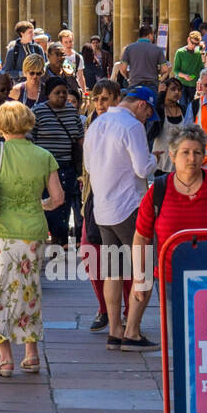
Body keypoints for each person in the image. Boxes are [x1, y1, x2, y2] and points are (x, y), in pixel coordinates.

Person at [0, 102, 61, 375]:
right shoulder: (44, 155)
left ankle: (5, 358)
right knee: (28, 293)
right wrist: (37, 206)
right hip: (32, 234)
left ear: (0, 124)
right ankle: (31, 354)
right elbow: (58, 198)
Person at [83, 84, 158, 350]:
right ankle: (132, 332)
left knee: (114, 272)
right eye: (148, 112)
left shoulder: (97, 123)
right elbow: (142, 168)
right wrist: (156, 159)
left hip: (103, 209)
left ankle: (115, 330)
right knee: (144, 270)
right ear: (141, 104)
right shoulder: (132, 126)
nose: (147, 118)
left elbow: (89, 167)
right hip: (130, 208)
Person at [132, 124, 207, 292]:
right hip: (171, 281)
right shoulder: (158, 191)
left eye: (197, 152)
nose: (191, 158)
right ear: (172, 156)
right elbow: (141, 238)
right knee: (172, 319)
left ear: (203, 157)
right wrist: (139, 278)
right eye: (185, 152)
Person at [30, 77, 84, 252]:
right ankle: (54, 239)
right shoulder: (38, 112)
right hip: (44, 168)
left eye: (64, 92)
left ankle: (60, 242)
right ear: (48, 95)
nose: (61, 96)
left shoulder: (71, 111)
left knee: (64, 205)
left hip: (67, 166)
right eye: (57, 93)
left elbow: (79, 138)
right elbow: (31, 138)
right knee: (49, 205)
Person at [151, 77, 187, 173]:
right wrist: (160, 94)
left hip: (180, 165)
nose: (176, 92)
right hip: (161, 163)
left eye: (179, 90)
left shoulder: (184, 110)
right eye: (173, 89)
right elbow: (153, 114)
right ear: (165, 90)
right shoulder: (160, 110)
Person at [117, 23, 168, 89]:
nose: (153, 38)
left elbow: (123, 69)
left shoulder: (129, 48)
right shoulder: (157, 49)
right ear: (149, 35)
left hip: (134, 84)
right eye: (153, 35)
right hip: (152, 85)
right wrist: (157, 72)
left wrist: (128, 77)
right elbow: (165, 69)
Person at [172, 30, 205, 108]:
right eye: (192, 43)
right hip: (182, 84)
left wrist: (202, 51)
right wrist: (184, 76)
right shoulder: (180, 52)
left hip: (195, 85)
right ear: (188, 40)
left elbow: (203, 67)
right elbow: (175, 70)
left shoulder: (199, 53)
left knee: (194, 106)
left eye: (196, 44)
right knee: (183, 105)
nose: (194, 45)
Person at [57, 29, 87, 94]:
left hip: (73, 90)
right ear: (61, 43)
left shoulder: (78, 57)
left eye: (70, 41)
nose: (69, 44)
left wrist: (84, 93)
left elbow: (80, 76)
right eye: (66, 42)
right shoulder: (57, 57)